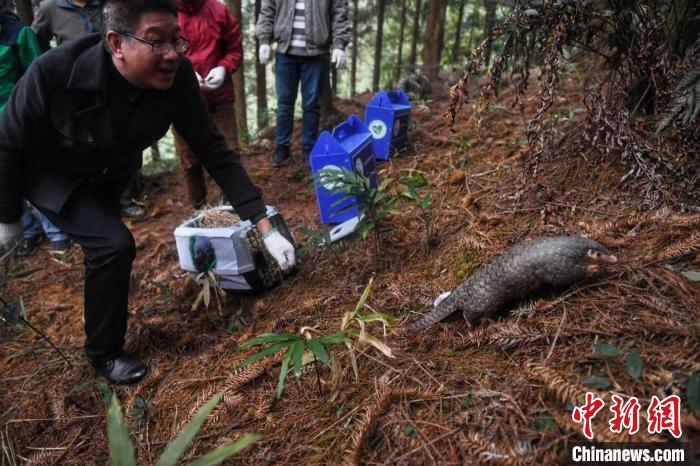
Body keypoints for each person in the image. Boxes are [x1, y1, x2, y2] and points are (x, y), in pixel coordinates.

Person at [0, 0, 296, 385]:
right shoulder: (54, 72)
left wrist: (264, 225)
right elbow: (6, 144)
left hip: (110, 172)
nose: (171, 54)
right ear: (116, 43)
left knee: (104, 250)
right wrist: (7, 216)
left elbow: (214, 151)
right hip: (51, 174)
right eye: (156, 42)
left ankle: (103, 301)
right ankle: (104, 354)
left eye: (177, 40)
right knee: (114, 245)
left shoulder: (179, 79)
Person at [33, 0, 147, 220]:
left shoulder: (108, 3)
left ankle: (125, 200)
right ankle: (94, 204)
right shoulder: (50, 8)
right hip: (76, 90)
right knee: (86, 143)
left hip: (116, 84)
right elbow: (37, 43)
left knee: (127, 140)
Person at [0, 3, 70, 255]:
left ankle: (57, 231)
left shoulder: (19, 34)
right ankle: (27, 232)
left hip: (21, 119)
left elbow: (38, 74)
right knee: (3, 178)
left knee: (35, 173)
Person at [256, 0, 350, 167]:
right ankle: (282, 148)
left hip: (317, 54)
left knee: (311, 104)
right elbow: (267, 9)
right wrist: (264, 40)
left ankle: (309, 149)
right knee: (284, 102)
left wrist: (339, 45)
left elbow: (339, 12)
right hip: (285, 53)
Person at [174, 0, 241, 210]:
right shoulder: (164, 13)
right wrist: (182, 72)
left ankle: (232, 207)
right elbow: (156, 53)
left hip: (220, 97)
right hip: (183, 100)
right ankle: (199, 210)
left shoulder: (219, 11)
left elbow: (235, 49)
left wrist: (224, 68)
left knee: (230, 151)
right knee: (190, 160)